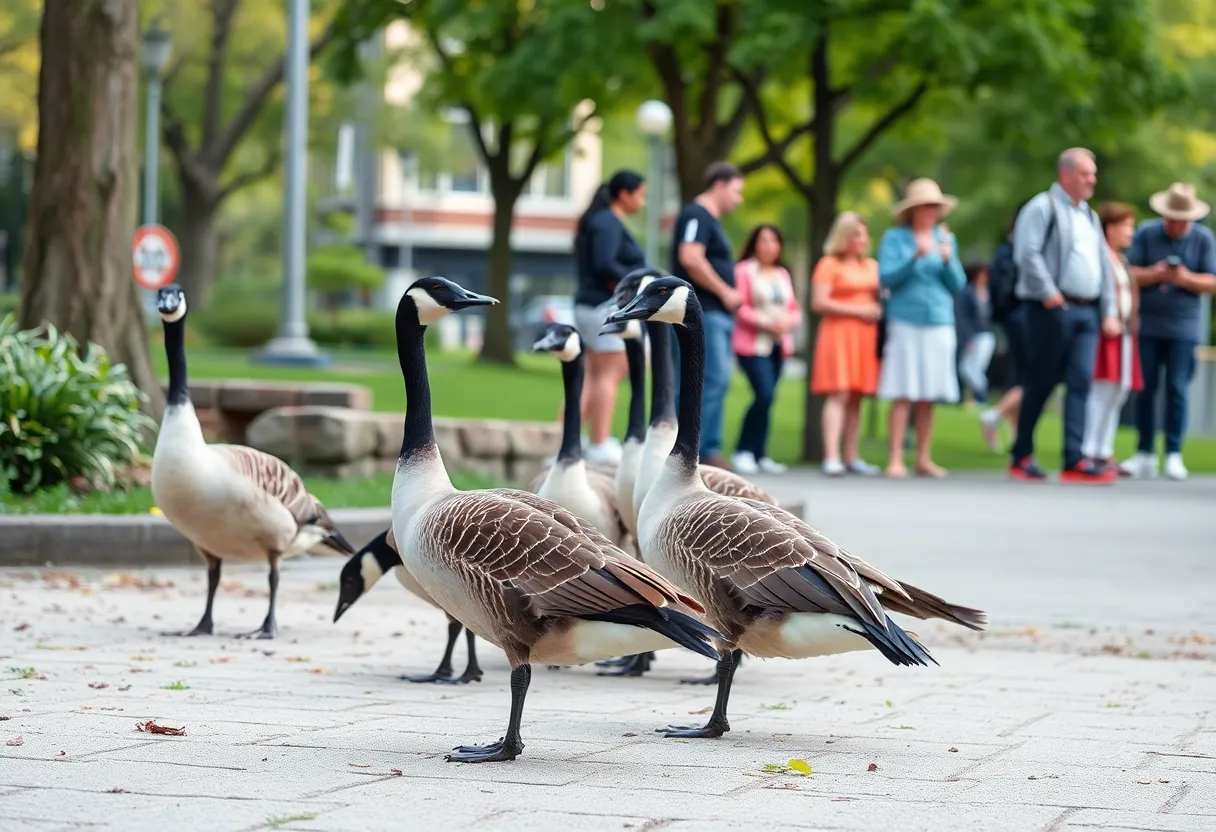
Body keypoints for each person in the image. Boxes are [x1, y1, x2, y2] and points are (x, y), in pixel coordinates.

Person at [1008, 148, 1122, 484]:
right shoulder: (1043, 207)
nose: (1092, 180)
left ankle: (1075, 458)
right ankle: (1021, 455)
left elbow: (1102, 264)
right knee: (1041, 382)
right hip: (1051, 309)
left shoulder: (1089, 215)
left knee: (1080, 381)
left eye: (1093, 173)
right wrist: (1050, 294)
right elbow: (1025, 254)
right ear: (1066, 174)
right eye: (1086, 173)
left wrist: (1108, 310)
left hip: (1086, 311)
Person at [1119, 183, 1216, 481]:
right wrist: (1157, 273)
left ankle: (1173, 452)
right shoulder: (1147, 233)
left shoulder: (1203, 239)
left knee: (1176, 388)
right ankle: (1144, 451)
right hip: (1148, 323)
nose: (1176, 224)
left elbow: (1212, 281)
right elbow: (1129, 272)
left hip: (1184, 326)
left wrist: (1185, 278)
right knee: (1144, 389)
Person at [876, 178, 967, 479]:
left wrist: (948, 259)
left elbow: (958, 284)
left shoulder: (946, 238)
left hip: (939, 320)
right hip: (905, 319)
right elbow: (886, 279)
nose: (932, 211)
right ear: (913, 210)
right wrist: (913, 258)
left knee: (929, 393)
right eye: (926, 206)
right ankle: (895, 457)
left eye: (935, 206)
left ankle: (924, 458)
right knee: (903, 390)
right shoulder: (895, 238)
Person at [671, 161, 745, 470]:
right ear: (720, 184)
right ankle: (697, 450)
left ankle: (704, 448)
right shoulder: (697, 215)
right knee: (711, 379)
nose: (738, 200)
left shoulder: (708, 219)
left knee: (713, 380)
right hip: (705, 312)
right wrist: (725, 291)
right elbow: (690, 256)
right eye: (737, 191)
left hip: (714, 315)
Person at [572, 169, 647, 464]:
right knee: (610, 374)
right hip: (604, 305)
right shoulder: (608, 222)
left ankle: (570, 439)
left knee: (591, 375)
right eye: (640, 195)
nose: (643, 202)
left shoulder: (601, 221)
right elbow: (605, 264)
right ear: (624, 194)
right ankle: (600, 442)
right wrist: (636, 283)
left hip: (591, 306)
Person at [809, 211, 882, 477]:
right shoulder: (829, 264)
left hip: (864, 337)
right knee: (838, 393)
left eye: (864, 234)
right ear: (845, 236)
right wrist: (858, 311)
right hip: (838, 334)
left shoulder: (871, 266)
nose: (863, 240)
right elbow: (819, 302)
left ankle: (852, 455)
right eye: (857, 234)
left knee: (856, 395)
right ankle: (832, 455)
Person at [729, 224, 800, 475]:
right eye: (763, 240)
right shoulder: (744, 270)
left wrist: (787, 323)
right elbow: (740, 305)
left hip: (778, 345)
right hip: (752, 344)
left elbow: (794, 309)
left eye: (773, 241)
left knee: (769, 399)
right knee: (764, 394)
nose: (768, 246)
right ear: (754, 244)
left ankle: (760, 453)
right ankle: (743, 450)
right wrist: (766, 323)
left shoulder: (782, 273)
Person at [1082, 202, 1143, 473]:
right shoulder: (1100, 257)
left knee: (1118, 391)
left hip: (1125, 333)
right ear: (1110, 228)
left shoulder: (1122, 260)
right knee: (1101, 390)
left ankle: (1104, 448)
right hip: (1106, 331)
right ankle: (1089, 449)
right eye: (1125, 226)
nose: (1130, 232)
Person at [979, 203, 1033, 451]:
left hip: (1009, 319)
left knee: (1018, 376)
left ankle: (1015, 436)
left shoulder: (1003, 250)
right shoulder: (1020, 252)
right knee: (1032, 378)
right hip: (1023, 317)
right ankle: (994, 416)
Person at [955, 260, 995, 407]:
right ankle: (980, 396)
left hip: (987, 335)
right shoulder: (968, 293)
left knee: (975, 368)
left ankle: (980, 397)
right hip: (975, 335)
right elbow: (963, 317)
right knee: (967, 368)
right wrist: (967, 336)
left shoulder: (987, 292)